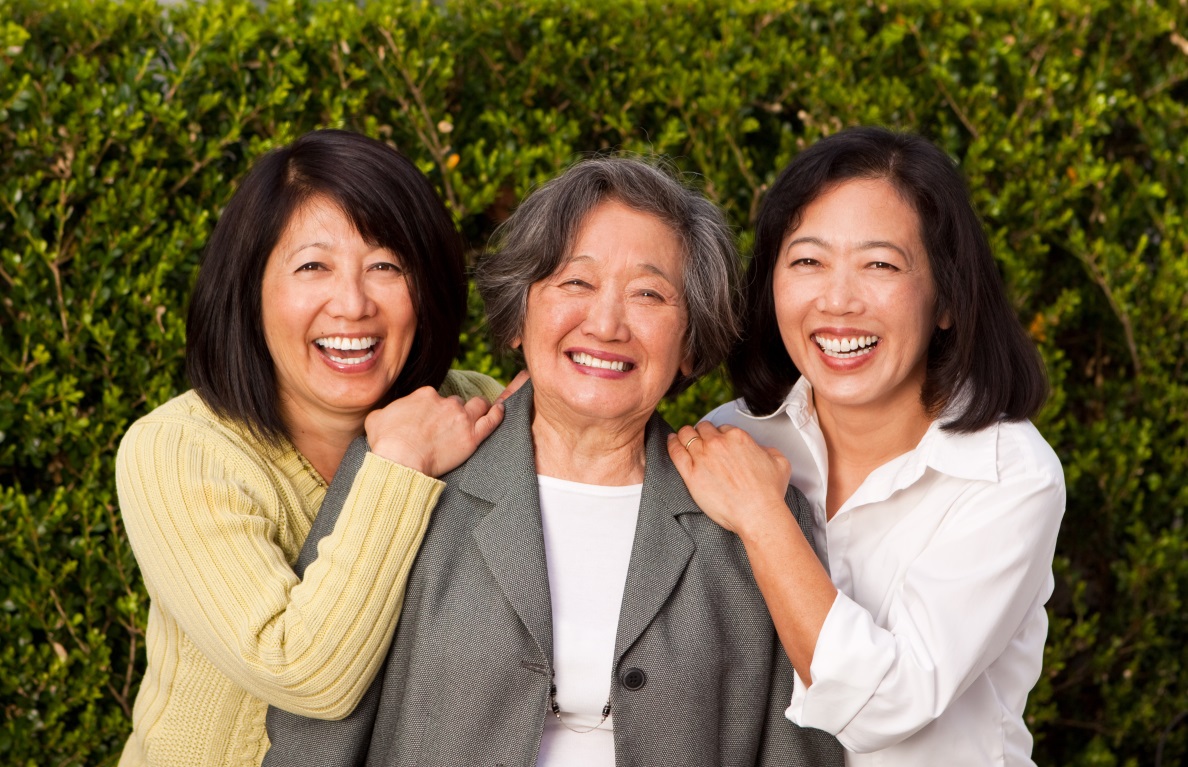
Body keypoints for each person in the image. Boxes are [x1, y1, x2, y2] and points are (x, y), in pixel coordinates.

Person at [262, 157, 844, 766]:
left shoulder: (747, 510)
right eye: (576, 282)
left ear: (690, 343)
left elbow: (797, 748)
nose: (606, 322)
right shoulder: (406, 472)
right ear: (520, 314)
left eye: (649, 293)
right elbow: (315, 733)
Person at [117, 129, 517, 767]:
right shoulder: (178, 450)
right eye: (313, 267)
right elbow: (305, 675)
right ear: (253, 289)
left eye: (386, 266)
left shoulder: (469, 409)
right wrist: (398, 464)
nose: (353, 304)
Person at [668, 126, 1065, 766]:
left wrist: (765, 518)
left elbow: (887, 704)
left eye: (880, 264)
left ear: (946, 299)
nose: (838, 301)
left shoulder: (1010, 475)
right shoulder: (735, 439)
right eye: (807, 261)